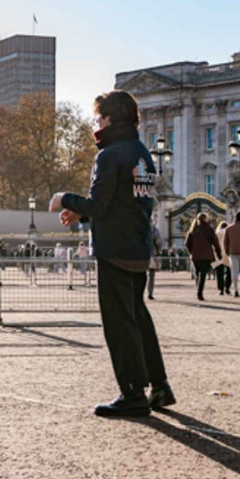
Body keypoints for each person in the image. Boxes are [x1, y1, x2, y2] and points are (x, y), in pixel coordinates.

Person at [52, 89, 174, 419]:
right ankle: (159, 384)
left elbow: (100, 204)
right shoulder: (141, 152)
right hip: (137, 245)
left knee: (119, 325)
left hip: (115, 249)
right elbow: (126, 201)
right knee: (138, 318)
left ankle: (132, 392)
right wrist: (83, 214)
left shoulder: (108, 155)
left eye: (98, 117)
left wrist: (65, 199)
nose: (96, 123)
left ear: (108, 119)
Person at [185, 213, 221, 301]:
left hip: (195, 255)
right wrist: (218, 253)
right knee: (203, 274)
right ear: (205, 219)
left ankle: (198, 288)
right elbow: (215, 242)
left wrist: (191, 251)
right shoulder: (209, 229)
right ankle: (199, 292)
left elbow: (187, 243)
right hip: (206, 255)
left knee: (198, 273)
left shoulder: (193, 230)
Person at [146, 220, 165, 300]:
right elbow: (159, 241)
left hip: (140, 253)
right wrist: (159, 250)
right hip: (152, 254)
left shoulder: (138, 227)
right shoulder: (154, 229)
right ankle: (150, 292)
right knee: (151, 274)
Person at [215, 220, 232, 296]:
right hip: (228, 253)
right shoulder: (229, 232)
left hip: (218, 254)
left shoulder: (217, 233)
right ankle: (227, 287)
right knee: (229, 272)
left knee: (219, 273)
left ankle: (220, 289)